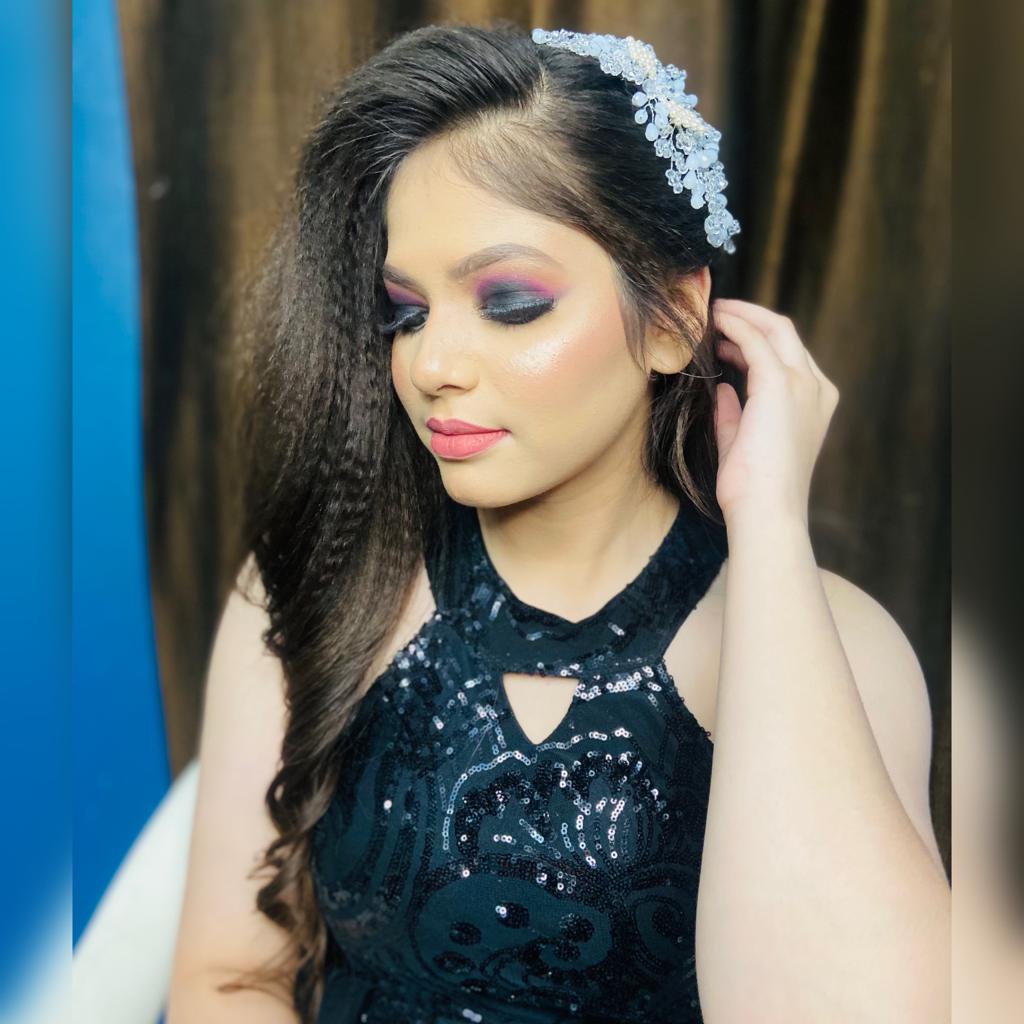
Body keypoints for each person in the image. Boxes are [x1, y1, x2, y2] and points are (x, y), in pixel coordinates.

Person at [167, 20, 950, 1024]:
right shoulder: (320, 583)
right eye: (406, 311)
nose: (430, 364)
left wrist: (767, 526)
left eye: (509, 302)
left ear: (672, 319)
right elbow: (226, 978)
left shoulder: (840, 641)